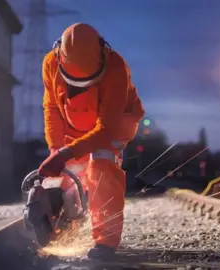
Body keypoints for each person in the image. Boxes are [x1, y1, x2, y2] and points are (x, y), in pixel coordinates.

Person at [37, 23, 145, 260]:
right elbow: (52, 107)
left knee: (101, 165)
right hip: (73, 123)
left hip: (115, 123)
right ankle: (65, 221)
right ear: (60, 56)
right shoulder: (50, 63)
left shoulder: (116, 67)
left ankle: (106, 242)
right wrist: (56, 149)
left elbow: (105, 129)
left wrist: (66, 153)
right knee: (66, 172)